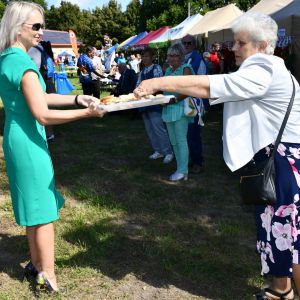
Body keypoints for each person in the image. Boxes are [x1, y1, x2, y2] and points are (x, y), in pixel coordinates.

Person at [135, 12, 300, 299]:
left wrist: (160, 83)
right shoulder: (274, 70)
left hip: (282, 165)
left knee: (289, 237)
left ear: (261, 46)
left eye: (239, 43)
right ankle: (280, 289)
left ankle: (287, 291)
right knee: (280, 233)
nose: (232, 48)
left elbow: (213, 86)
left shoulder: (263, 66)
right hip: (285, 162)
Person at [0, 1, 106, 293]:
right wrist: (87, 113)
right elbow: (43, 113)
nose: (41, 32)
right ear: (16, 27)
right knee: (43, 211)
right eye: (35, 26)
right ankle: (48, 276)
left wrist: (77, 99)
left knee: (33, 207)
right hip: (29, 142)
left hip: (16, 137)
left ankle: (36, 266)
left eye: (41, 26)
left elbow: (41, 96)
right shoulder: (22, 63)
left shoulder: (7, 59)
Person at [161, 43, 194, 181]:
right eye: (169, 55)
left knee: (181, 140)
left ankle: (183, 170)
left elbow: (188, 91)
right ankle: (180, 167)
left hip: (180, 108)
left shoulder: (186, 69)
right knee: (174, 141)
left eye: (174, 55)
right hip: (168, 109)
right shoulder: (168, 70)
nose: (171, 58)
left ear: (181, 56)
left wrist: (174, 100)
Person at [136, 47, 173, 164]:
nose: (144, 58)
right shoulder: (142, 72)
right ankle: (158, 150)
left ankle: (168, 152)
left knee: (159, 129)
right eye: (143, 56)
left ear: (152, 57)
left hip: (154, 104)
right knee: (150, 129)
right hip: (143, 105)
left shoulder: (156, 68)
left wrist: (145, 91)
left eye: (147, 56)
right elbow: (137, 86)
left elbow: (158, 85)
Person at [181, 34, 207, 174]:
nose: (186, 45)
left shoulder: (198, 59)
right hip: (182, 101)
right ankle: (192, 158)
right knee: (185, 134)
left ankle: (198, 161)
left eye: (189, 43)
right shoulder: (181, 58)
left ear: (194, 44)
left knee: (193, 134)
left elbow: (202, 82)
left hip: (194, 102)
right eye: (184, 43)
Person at [28, 40, 56, 142]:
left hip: (41, 79)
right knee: (47, 107)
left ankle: (47, 133)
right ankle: (49, 134)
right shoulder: (44, 51)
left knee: (41, 107)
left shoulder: (35, 49)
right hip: (47, 80)